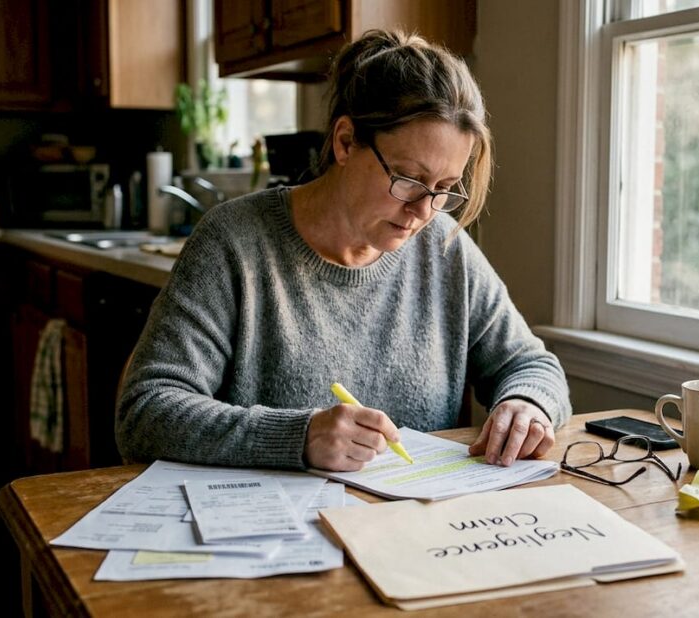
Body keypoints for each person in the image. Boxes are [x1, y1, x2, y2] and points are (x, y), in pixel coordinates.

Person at [116, 29, 570, 472]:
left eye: (445, 188)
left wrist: (527, 403)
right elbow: (145, 412)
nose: (423, 211)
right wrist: (297, 437)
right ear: (346, 142)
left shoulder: (444, 247)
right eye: (409, 179)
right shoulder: (234, 242)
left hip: (412, 517)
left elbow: (531, 365)